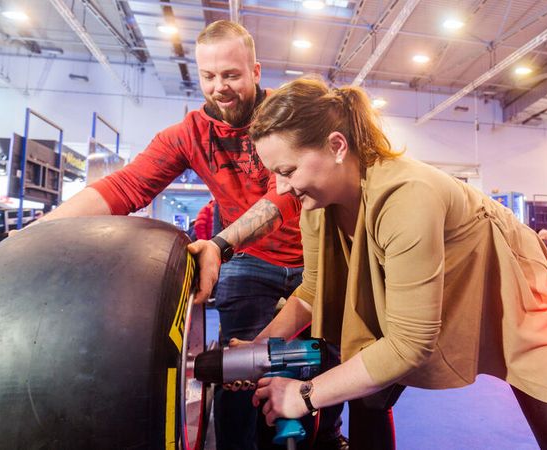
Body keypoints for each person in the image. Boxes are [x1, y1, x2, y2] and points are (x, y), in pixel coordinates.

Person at [29, 21, 343, 450]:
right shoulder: (189, 134)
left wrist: (219, 244)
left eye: (231, 75)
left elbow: (285, 195)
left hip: (316, 257)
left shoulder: (284, 118)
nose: (219, 87)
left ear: (255, 71)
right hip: (251, 261)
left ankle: (329, 437)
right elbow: (126, 186)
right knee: (238, 370)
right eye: (208, 76)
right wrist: (37, 233)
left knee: (328, 362)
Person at [239, 78, 547, 449]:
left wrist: (305, 394)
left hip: (510, 277)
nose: (281, 187)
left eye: (288, 170)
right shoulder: (316, 205)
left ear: (337, 146)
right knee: (364, 386)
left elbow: (409, 345)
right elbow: (313, 290)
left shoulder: (407, 195)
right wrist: (257, 348)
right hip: (430, 274)